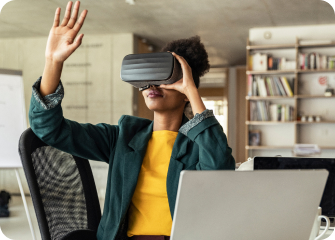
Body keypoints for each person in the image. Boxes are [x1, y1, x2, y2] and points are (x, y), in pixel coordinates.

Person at [28, 1, 235, 240]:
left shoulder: (197, 146)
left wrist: (192, 91)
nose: (153, 84)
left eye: (165, 76)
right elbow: (48, 129)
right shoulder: (122, 138)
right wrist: (53, 62)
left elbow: (220, 170)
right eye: (148, 76)